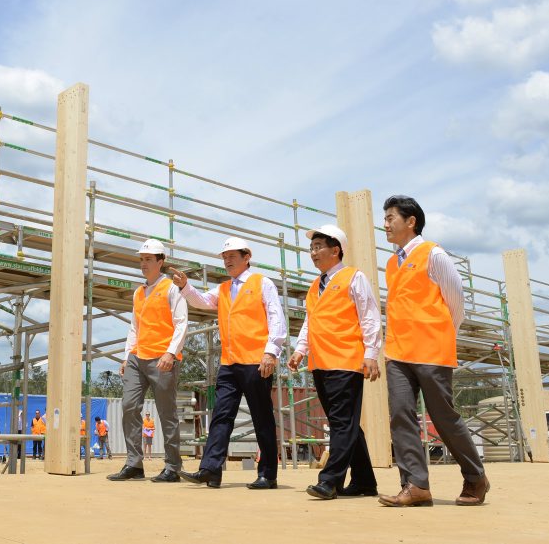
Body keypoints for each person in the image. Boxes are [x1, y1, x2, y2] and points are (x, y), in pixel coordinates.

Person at [377, 195, 489, 507]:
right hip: (398, 352)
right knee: (401, 415)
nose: (385, 224)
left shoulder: (433, 254)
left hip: (431, 350)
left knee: (443, 417)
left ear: (410, 222)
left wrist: (441, 336)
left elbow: (456, 302)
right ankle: (416, 485)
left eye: (390, 218)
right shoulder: (391, 262)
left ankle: (476, 478)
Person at [173, 237, 287, 489]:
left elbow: (276, 318)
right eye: (224, 257)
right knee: (221, 415)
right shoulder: (224, 289)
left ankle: (268, 474)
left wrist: (271, 352)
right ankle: (210, 469)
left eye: (232, 256)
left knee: (262, 418)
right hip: (230, 363)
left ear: (247, 257)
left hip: (257, 361)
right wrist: (185, 287)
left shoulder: (261, 283)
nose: (227, 260)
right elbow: (201, 301)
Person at [287, 225, 381, 500]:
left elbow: (370, 316)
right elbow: (310, 321)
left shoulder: (354, 277)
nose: (313, 253)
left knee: (341, 422)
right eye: (312, 248)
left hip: (346, 360)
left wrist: (371, 354)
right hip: (321, 362)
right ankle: (364, 481)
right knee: (345, 422)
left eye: (319, 247)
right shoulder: (316, 286)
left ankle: (329, 480)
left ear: (336, 249)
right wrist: (300, 350)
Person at [108, 239, 188, 483]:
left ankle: (173, 466)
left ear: (160, 262)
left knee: (166, 413)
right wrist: (126, 356)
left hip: (163, 358)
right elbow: (135, 327)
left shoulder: (172, 288)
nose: (143, 264)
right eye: (141, 259)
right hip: (137, 357)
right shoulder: (138, 292)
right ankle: (134, 464)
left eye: (149, 259)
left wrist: (171, 353)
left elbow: (181, 323)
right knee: (129, 406)